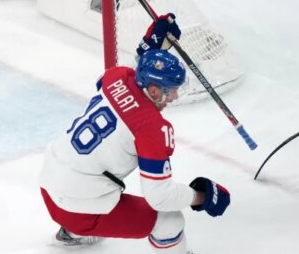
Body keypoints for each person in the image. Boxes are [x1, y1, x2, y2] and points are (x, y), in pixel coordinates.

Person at [38, 14, 230, 253]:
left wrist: (147, 48)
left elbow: (127, 77)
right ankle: (77, 227)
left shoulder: (115, 78)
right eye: (170, 91)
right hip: (77, 210)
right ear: (152, 89)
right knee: (170, 222)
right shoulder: (152, 129)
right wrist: (201, 196)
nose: (175, 97)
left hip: (48, 183)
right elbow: (159, 196)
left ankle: (70, 232)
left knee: (90, 177)